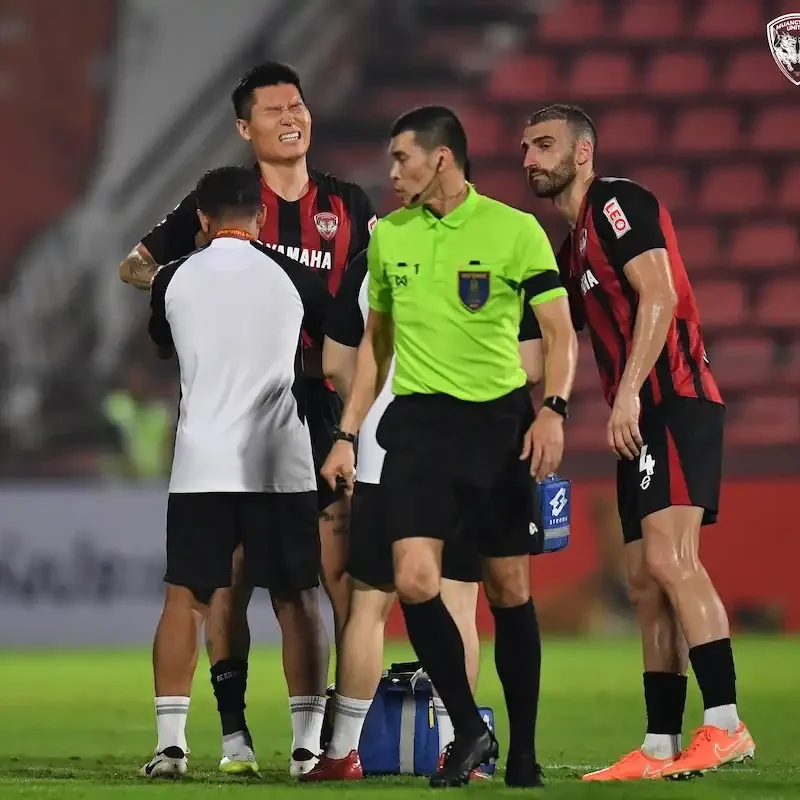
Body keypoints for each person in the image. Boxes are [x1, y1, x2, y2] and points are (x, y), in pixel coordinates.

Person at [119, 61, 377, 776]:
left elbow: (373, 297)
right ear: (246, 127)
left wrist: (191, 293)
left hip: (315, 411)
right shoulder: (220, 209)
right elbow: (131, 266)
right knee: (260, 586)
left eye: (299, 104)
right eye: (275, 109)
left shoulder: (348, 203)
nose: (293, 116)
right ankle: (246, 736)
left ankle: (327, 737)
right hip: (283, 421)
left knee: (337, 577)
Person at [321, 106, 578, 788]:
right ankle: (468, 730)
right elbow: (377, 350)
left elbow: (559, 333)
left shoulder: (515, 230)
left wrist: (552, 410)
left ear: (441, 160)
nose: (392, 172)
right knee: (412, 579)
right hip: (419, 425)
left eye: (402, 158)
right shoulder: (390, 239)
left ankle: (521, 751)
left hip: (497, 427)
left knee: (507, 587)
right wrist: (349, 430)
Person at [522, 103, 754, 780]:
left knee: (672, 560)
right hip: (643, 418)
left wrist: (625, 394)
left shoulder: (618, 204)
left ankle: (726, 724)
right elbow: (548, 344)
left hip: (673, 402)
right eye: (527, 147)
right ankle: (658, 746)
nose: (530, 157)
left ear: (583, 152)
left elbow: (658, 295)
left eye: (544, 144)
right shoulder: (571, 249)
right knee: (644, 582)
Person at [302, 248, 545, 782]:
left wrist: (367, 410)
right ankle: (456, 745)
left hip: (387, 456)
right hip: (473, 454)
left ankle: (343, 752)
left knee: (369, 606)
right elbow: (531, 364)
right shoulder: (494, 250)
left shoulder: (380, 255)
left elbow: (335, 362)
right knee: (460, 600)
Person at [140, 166, 329, 777]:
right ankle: (306, 749)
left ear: (200, 219)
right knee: (296, 598)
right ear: (262, 217)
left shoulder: (171, 279)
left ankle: (171, 747)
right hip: (281, 461)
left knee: (186, 600)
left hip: (202, 463)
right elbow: (331, 349)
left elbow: (165, 344)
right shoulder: (298, 276)